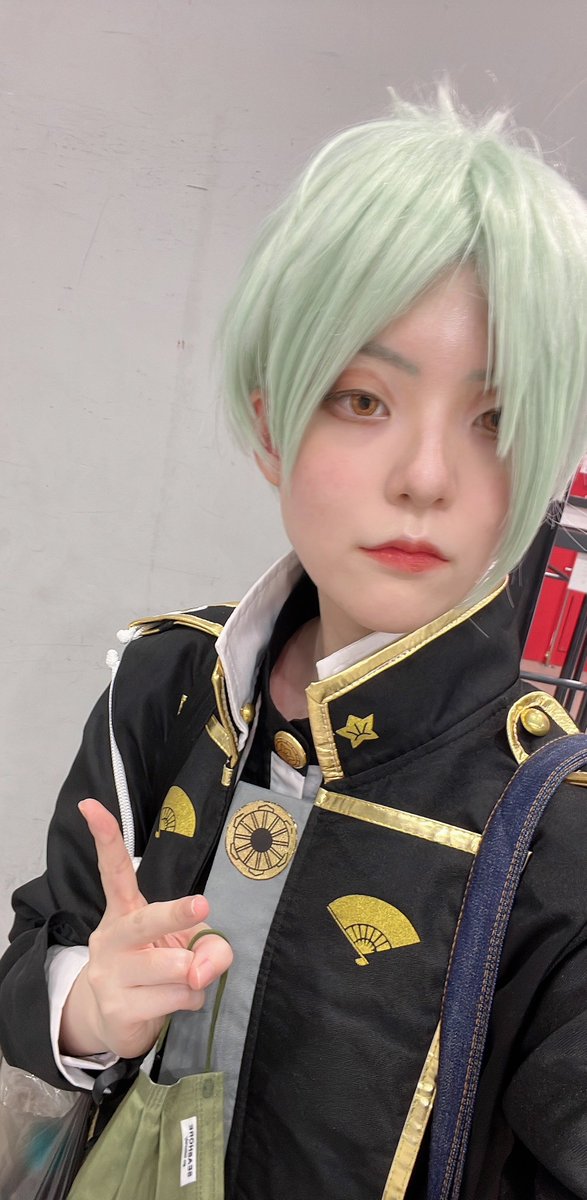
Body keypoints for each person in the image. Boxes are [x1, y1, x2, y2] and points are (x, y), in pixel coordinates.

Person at [1, 88, 587, 1199]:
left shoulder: (554, 829)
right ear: (273, 424)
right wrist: (89, 1005)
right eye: (364, 399)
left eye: (495, 420)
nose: (424, 475)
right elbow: (38, 960)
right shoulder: (166, 684)